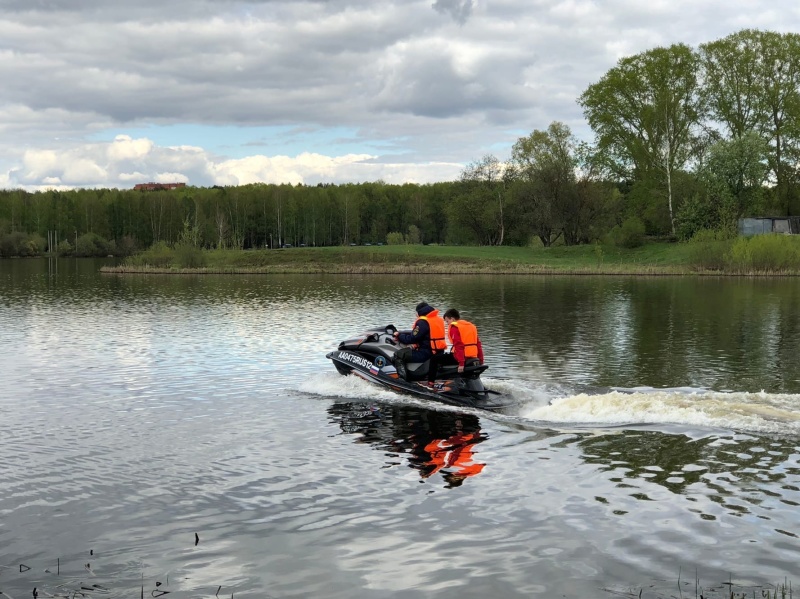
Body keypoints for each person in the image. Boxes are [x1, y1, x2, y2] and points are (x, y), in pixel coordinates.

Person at [426, 308, 484, 384]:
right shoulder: (471, 326)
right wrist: (480, 360)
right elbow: (478, 345)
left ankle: (431, 382)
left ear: (452, 319)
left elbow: (458, 346)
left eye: (447, 321)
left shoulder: (455, 328)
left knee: (434, 359)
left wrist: (461, 364)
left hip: (460, 357)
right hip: (472, 356)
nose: (448, 324)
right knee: (445, 356)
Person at [392, 302, 447, 379]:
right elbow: (427, 336)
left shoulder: (423, 322)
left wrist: (399, 335)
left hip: (426, 353)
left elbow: (412, 338)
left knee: (399, 355)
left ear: (419, 312)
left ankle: (402, 379)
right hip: (438, 352)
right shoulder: (438, 320)